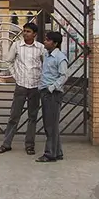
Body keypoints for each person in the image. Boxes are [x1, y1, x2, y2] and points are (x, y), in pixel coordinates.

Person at [0, 22, 45, 155]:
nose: (25, 33)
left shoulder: (40, 48)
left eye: (28, 32)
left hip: (35, 86)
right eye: (24, 31)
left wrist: (41, 78)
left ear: (34, 34)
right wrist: (16, 75)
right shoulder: (17, 45)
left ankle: (30, 145)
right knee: (14, 116)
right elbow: (9, 61)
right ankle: (6, 144)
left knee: (32, 117)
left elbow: (45, 64)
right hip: (21, 85)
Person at [36, 31, 68, 163]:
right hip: (45, 92)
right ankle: (57, 152)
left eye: (48, 40)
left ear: (55, 43)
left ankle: (50, 154)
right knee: (51, 124)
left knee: (50, 126)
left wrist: (52, 87)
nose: (45, 42)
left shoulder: (60, 57)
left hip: (53, 94)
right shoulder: (47, 55)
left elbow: (64, 76)